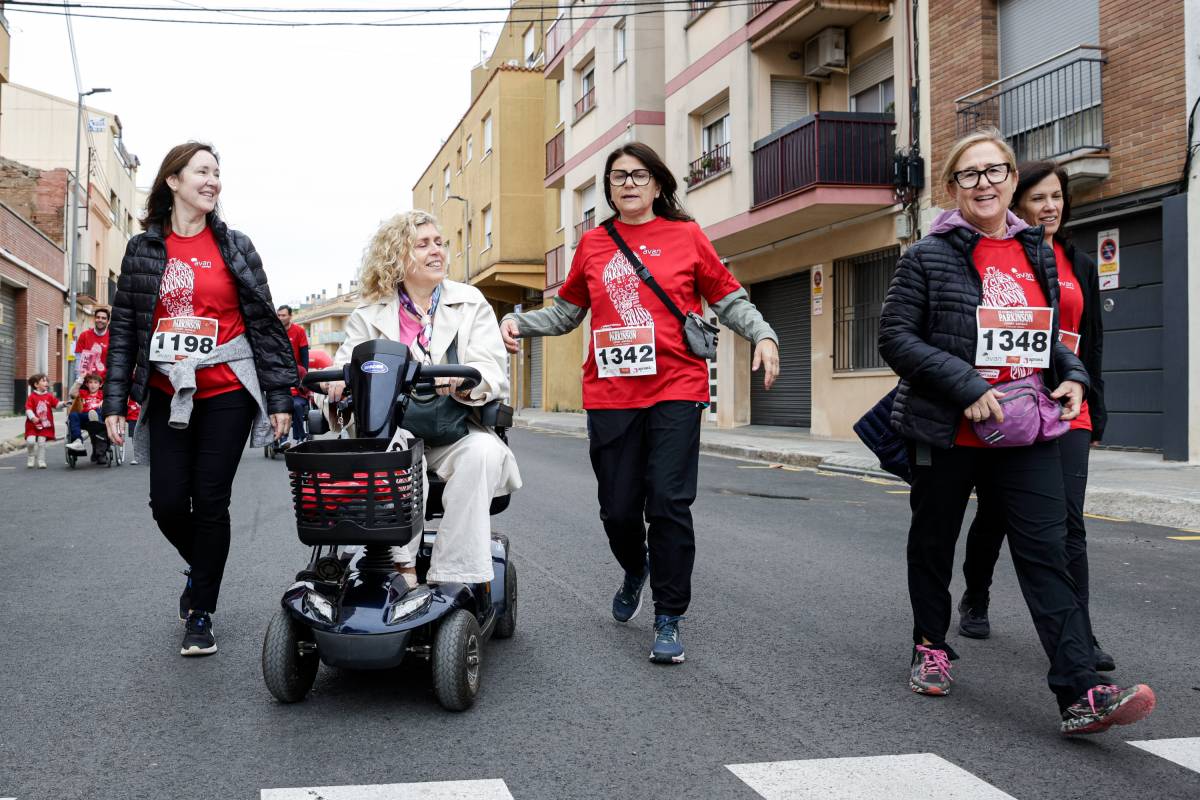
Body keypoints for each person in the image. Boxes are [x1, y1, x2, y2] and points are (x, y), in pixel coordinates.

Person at [878, 129, 1154, 735]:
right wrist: (967, 387)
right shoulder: (927, 254)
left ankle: (1082, 692)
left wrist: (1075, 376)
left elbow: (1045, 338)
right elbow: (896, 336)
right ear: (953, 187)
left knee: (1047, 553)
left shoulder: (1034, 251)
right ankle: (931, 644)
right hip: (947, 431)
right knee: (934, 541)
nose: (985, 183)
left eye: (995, 171)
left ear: (1011, 180)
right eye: (970, 174)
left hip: (1026, 431)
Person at [500, 142, 779, 665]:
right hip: (611, 394)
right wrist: (519, 322)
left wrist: (763, 336)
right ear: (610, 188)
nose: (628, 184)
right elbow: (566, 314)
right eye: (618, 177)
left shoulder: (687, 235)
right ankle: (635, 566)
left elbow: (728, 298)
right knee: (618, 508)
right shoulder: (594, 244)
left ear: (657, 183)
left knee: (669, 503)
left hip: (678, 387)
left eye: (639, 175)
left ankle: (669, 615)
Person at [102, 142, 295, 657]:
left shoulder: (236, 246)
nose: (212, 181)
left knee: (211, 502)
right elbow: (124, 328)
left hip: (227, 389)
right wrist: (114, 401)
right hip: (167, 391)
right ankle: (202, 568)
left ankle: (201, 612)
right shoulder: (143, 249)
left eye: (217, 173)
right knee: (166, 502)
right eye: (202, 172)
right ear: (173, 181)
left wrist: (280, 397)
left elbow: (265, 325)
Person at [957, 160, 1113, 671]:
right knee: (997, 514)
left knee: (1069, 524)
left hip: (1068, 405)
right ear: (1017, 204)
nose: (1050, 207)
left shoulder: (1077, 262)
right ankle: (975, 595)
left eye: (1057, 198)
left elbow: (1092, 343)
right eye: (1039, 198)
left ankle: (1081, 639)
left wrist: (1095, 404)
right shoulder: (1009, 256)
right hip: (1013, 401)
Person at [325, 210, 521, 590]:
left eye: (439, 243)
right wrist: (337, 389)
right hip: (394, 433)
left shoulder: (470, 302)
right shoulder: (370, 313)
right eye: (423, 244)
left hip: (456, 430)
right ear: (398, 256)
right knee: (394, 454)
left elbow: (494, 371)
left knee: (483, 453)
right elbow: (343, 366)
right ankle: (401, 568)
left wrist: (464, 381)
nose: (437, 251)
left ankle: (454, 573)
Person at [277, 304, 310, 446]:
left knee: (296, 405)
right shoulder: (274, 331)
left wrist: (304, 377)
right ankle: (282, 438)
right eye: (278, 315)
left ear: (290, 316)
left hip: (296, 372)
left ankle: (299, 437)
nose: (280, 318)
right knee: (282, 405)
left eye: (283, 315)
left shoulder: (299, 331)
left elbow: (304, 354)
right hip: (279, 372)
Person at [65, 372, 108, 462]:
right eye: (90, 382)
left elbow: (110, 400)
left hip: (99, 416)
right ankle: (77, 441)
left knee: (97, 412)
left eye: (96, 383)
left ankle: (95, 420)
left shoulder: (103, 394)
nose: (93, 385)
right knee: (73, 414)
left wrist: (103, 401)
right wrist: (81, 378)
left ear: (100, 385)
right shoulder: (83, 393)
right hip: (85, 416)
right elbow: (72, 393)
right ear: (87, 384)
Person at [24, 373, 60, 469]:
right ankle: (31, 456)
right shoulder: (32, 396)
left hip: (44, 424)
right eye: (43, 381)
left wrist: (64, 404)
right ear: (36, 385)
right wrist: (32, 417)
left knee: (41, 442)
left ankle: (41, 460)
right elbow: (28, 408)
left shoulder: (49, 396)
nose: (46, 383)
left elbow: (56, 404)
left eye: (47, 381)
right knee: (30, 442)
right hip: (32, 424)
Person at [75, 307, 110, 380]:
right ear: (94, 319)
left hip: (105, 382)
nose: (100, 320)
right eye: (98, 317)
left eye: (103, 318)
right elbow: (78, 359)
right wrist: (79, 379)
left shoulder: (112, 338)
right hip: (87, 381)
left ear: (108, 321)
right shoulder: (84, 335)